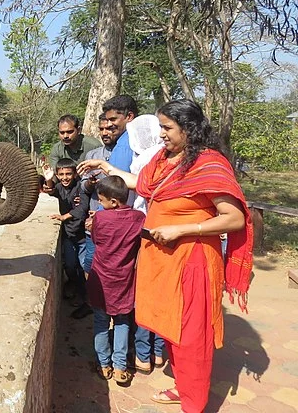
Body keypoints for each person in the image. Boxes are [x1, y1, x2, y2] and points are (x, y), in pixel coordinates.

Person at [78, 99, 252, 413]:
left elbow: (234, 217)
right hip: (162, 260)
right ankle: (182, 387)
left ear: (189, 129)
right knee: (170, 327)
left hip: (192, 259)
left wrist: (184, 229)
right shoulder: (163, 159)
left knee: (191, 333)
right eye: (160, 127)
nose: (161, 135)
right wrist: (105, 167)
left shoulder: (209, 163)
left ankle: (194, 403)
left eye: (168, 128)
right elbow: (141, 186)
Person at [86, 176, 145, 385]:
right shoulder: (139, 218)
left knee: (101, 321)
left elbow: (95, 240)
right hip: (125, 279)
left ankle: (104, 364)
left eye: (101, 200)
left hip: (102, 279)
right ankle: (120, 367)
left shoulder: (101, 218)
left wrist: (93, 222)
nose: (100, 204)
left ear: (113, 201)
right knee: (122, 321)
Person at [126, 114, 166, 373]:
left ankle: (142, 355)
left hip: (147, 229)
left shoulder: (146, 161)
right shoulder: (170, 157)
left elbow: (141, 189)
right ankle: (160, 352)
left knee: (145, 296)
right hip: (168, 231)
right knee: (164, 296)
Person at [43, 158, 92, 319]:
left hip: (82, 236)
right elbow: (51, 192)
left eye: (68, 174)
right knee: (70, 267)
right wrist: (49, 180)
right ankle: (79, 291)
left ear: (75, 174)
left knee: (85, 267)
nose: (65, 177)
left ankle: (88, 299)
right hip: (69, 236)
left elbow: (83, 208)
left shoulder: (80, 188)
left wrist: (64, 216)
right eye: (61, 174)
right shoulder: (58, 186)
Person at [79, 113, 121, 276]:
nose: (105, 133)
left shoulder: (127, 154)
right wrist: (90, 183)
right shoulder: (92, 156)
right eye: (101, 129)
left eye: (109, 129)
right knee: (91, 262)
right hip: (94, 222)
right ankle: (92, 299)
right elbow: (83, 186)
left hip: (117, 223)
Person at [102, 95, 139, 172]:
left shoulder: (125, 145)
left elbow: (118, 181)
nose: (108, 124)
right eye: (108, 120)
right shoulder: (145, 138)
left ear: (129, 116)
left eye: (113, 119)